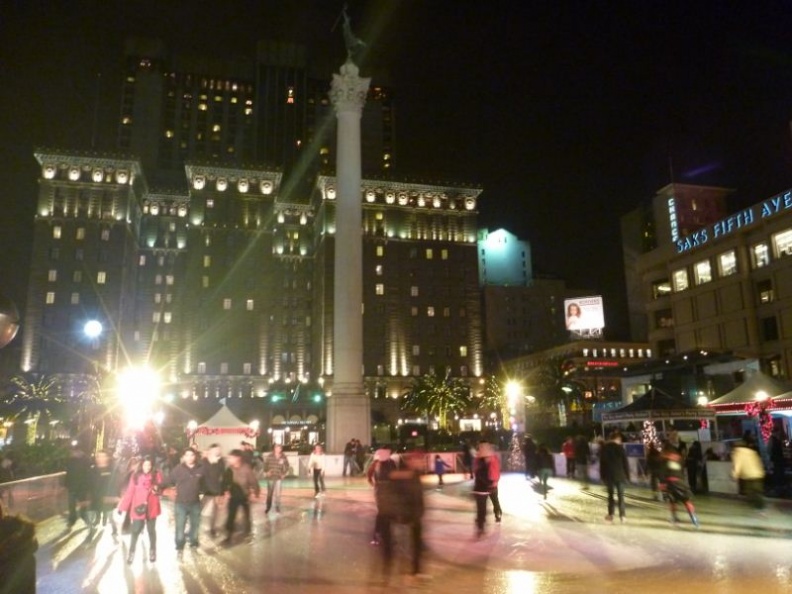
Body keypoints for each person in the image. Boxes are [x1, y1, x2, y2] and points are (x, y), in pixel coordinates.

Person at [377, 452, 426, 582]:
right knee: (396, 548)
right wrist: (400, 515)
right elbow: (392, 491)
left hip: (413, 516)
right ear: (410, 461)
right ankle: (388, 574)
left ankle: (415, 571)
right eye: (418, 460)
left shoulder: (414, 475)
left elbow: (417, 497)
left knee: (416, 545)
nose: (422, 463)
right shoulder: (402, 475)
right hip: (404, 517)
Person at [117, 456, 162, 564]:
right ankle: (131, 552)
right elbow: (130, 492)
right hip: (138, 507)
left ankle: (152, 550)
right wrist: (123, 507)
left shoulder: (156, 475)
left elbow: (161, 488)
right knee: (135, 531)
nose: (147, 467)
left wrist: (157, 490)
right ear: (141, 465)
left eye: (149, 465)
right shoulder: (135, 476)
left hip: (151, 507)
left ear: (152, 466)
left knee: (151, 531)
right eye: (145, 465)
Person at [163, 447, 204, 552]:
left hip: (195, 503)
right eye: (187, 455)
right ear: (184, 457)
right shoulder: (178, 469)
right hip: (181, 504)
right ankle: (179, 545)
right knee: (180, 527)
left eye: (192, 455)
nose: (190, 458)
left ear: (195, 456)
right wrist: (158, 486)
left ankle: (194, 542)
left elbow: (206, 483)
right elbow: (169, 479)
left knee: (195, 526)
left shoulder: (201, 468)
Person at [222, 449, 260, 543]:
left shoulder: (246, 468)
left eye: (231, 457)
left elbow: (253, 481)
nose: (229, 459)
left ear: (238, 458)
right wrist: (225, 492)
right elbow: (225, 482)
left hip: (244, 496)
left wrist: (256, 493)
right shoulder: (229, 468)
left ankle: (248, 532)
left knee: (246, 515)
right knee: (231, 515)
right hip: (233, 496)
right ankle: (229, 535)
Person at [658, 440, 699, 527]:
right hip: (680, 481)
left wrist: (662, 483)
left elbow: (662, 471)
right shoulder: (679, 457)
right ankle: (694, 518)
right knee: (686, 500)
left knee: (673, 501)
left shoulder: (664, 457)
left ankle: (674, 518)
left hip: (670, 482)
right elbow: (682, 469)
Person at [368, 447, 398, 545]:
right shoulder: (377, 464)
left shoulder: (390, 463)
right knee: (382, 512)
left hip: (386, 489)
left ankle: (383, 535)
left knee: (386, 513)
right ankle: (378, 535)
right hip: (381, 490)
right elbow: (369, 475)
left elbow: (395, 476)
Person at [89, 450, 122, 538]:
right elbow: (89, 484)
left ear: (107, 458)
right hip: (96, 498)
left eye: (103, 456)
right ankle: (92, 531)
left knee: (110, 516)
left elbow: (117, 483)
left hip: (108, 498)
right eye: (98, 456)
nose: (101, 459)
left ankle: (114, 529)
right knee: (94, 514)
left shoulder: (112, 469)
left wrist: (116, 497)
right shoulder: (93, 469)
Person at [472, 441, 502, 536]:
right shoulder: (478, 460)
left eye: (483, 447)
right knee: (482, 508)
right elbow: (478, 473)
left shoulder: (493, 458)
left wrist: (495, 481)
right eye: (480, 447)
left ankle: (497, 513)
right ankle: (481, 524)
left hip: (491, 485)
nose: (482, 448)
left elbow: (496, 471)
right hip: (483, 487)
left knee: (494, 501)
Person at [599, 431, 629, 523]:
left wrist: (602, 476)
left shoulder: (604, 449)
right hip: (620, 475)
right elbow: (625, 463)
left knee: (610, 496)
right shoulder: (620, 448)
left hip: (609, 475)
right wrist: (627, 476)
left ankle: (611, 514)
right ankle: (622, 516)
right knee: (621, 496)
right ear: (618, 439)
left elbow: (602, 464)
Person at [731, 435, 766, 511]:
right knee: (757, 491)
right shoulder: (751, 452)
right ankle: (760, 508)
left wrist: (734, 475)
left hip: (748, 476)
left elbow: (737, 465)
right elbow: (758, 462)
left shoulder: (737, 453)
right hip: (758, 474)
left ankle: (758, 509)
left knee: (750, 492)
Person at [200, 443, 226, 537]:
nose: (217, 451)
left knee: (215, 512)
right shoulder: (204, 461)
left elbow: (222, 476)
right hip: (205, 490)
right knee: (198, 509)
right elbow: (203, 474)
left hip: (216, 490)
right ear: (210, 451)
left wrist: (222, 492)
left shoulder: (221, 461)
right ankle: (191, 527)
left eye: (219, 450)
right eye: (215, 450)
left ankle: (212, 529)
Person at [65, 445, 92, 529]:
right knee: (71, 506)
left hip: (81, 488)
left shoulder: (86, 460)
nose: (72, 453)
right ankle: (72, 520)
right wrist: (66, 484)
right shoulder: (70, 460)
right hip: (72, 487)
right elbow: (68, 473)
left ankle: (87, 520)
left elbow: (88, 475)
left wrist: (87, 487)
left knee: (83, 507)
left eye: (73, 451)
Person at [263, 444, 290, 513]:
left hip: (278, 478)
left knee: (278, 494)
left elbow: (287, 466)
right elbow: (265, 466)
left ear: (281, 449)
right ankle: (268, 507)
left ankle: (277, 507)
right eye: (277, 448)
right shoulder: (270, 456)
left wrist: (284, 474)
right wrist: (266, 472)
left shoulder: (283, 457)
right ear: (274, 449)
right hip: (271, 478)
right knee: (269, 494)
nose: (278, 449)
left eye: (280, 448)